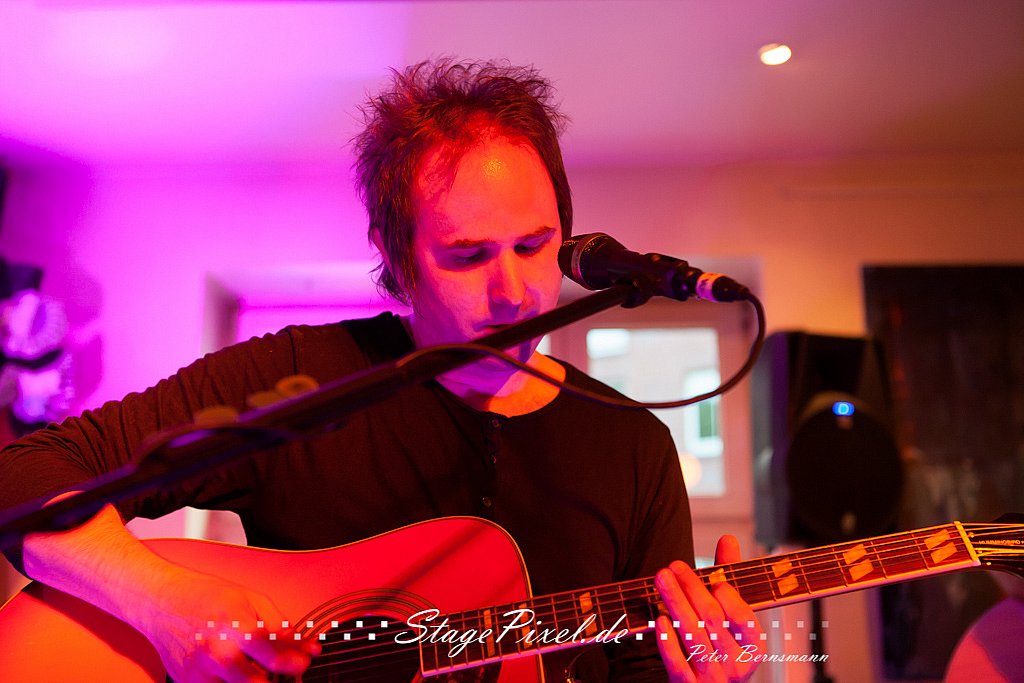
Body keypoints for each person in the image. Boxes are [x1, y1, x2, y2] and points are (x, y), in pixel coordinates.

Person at [0, 59, 762, 682]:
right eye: (467, 255)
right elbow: (25, 474)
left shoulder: (635, 447)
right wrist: (163, 601)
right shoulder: (301, 376)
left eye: (534, 247)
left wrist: (706, 678)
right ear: (397, 257)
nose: (514, 291)